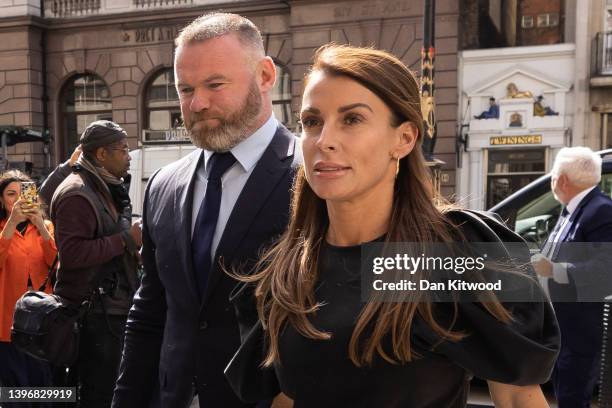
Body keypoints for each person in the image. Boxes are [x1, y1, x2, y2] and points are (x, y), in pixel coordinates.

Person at [227, 44, 560, 407]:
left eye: (352, 119)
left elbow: (517, 398)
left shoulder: (453, 253)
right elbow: (284, 399)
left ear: (403, 139)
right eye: (312, 122)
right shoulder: (290, 267)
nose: (325, 141)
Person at [112, 13, 300, 408]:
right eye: (184, 89)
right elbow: (150, 313)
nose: (196, 103)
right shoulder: (163, 184)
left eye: (215, 84)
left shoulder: (314, 179)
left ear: (266, 76)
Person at [50, 120, 141, 407]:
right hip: (93, 316)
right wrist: (127, 239)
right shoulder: (77, 193)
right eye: (123, 150)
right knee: (98, 395)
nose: (128, 156)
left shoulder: (101, 186)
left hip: (110, 309)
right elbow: (73, 254)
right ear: (101, 154)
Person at [532, 146, 612, 407]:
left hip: (581, 330)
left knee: (573, 398)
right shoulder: (573, 209)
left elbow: (604, 271)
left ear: (562, 179)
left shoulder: (601, 210)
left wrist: (553, 270)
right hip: (564, 328)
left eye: (553, 175)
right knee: (564, 395)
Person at [0, 170, 56, 404]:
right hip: (7, 322)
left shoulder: (46, 227)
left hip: (42, 322)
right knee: (15, 388)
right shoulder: (4, 228)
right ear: (2, 200)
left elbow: (56, 262)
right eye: (11, 194)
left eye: (23, 193)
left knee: (44, 384)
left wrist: (41, 227)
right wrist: (12, 223)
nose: (18, 199)